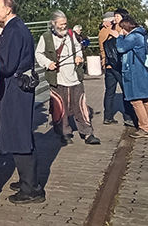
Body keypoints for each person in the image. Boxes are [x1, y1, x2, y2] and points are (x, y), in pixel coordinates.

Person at [0, 0, 46, 205]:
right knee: (19, 134)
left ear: (8, 8)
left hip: (15, 89)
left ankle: (31, 189)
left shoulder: (14, 30)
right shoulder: (16, 27)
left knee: (19, 136)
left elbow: (6, 64)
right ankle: (27, 180)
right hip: (20, 88)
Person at [35, 10, 100, 145]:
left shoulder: (71, 35)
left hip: (74, 76)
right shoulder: (46, 37)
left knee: (80, 104)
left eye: (65, 24)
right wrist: (48, 63)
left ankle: (87, 133)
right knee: (60, 107)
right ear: (53, 23)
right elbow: (39, 53)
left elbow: (78, 47)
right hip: (58, 77)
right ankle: (64, 133)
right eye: (61, 24)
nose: (64, 26)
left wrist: (79, 57)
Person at [115, 15, 148, 139]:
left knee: (136, 101)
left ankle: (144, 128)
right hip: (145, 71)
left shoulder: (133, 36)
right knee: (147, 99)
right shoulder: (143, 34)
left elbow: (120, 48)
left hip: (136, 73)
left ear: (125, 28)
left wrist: (119, 36)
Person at [100, 10, 137, 127]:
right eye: (114, 16)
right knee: (126, 90)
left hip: (107, 64)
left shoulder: (103, 30)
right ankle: (128, 117)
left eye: (117, 16)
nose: (115, 18)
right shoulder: (120, 30)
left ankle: (107, 116)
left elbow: (102, 45)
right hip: (118, 64)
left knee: (109, 92)